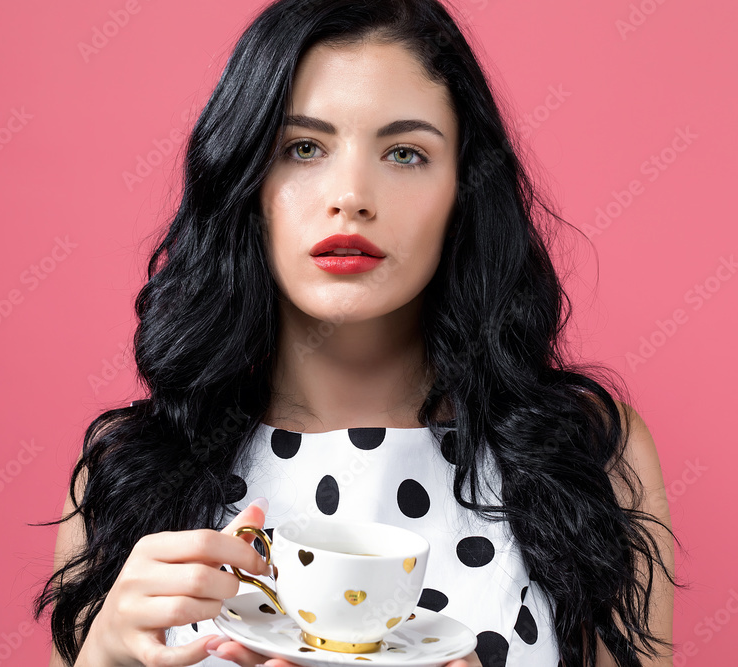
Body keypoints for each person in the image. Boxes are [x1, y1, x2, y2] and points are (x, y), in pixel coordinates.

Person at [33, 1, 682, 665]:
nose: (352, 194)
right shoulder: (128, 472)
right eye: (303, 148)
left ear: (464, 190)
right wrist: (102, 658)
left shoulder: (595, 455)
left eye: (404, 153)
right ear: (244, 182)